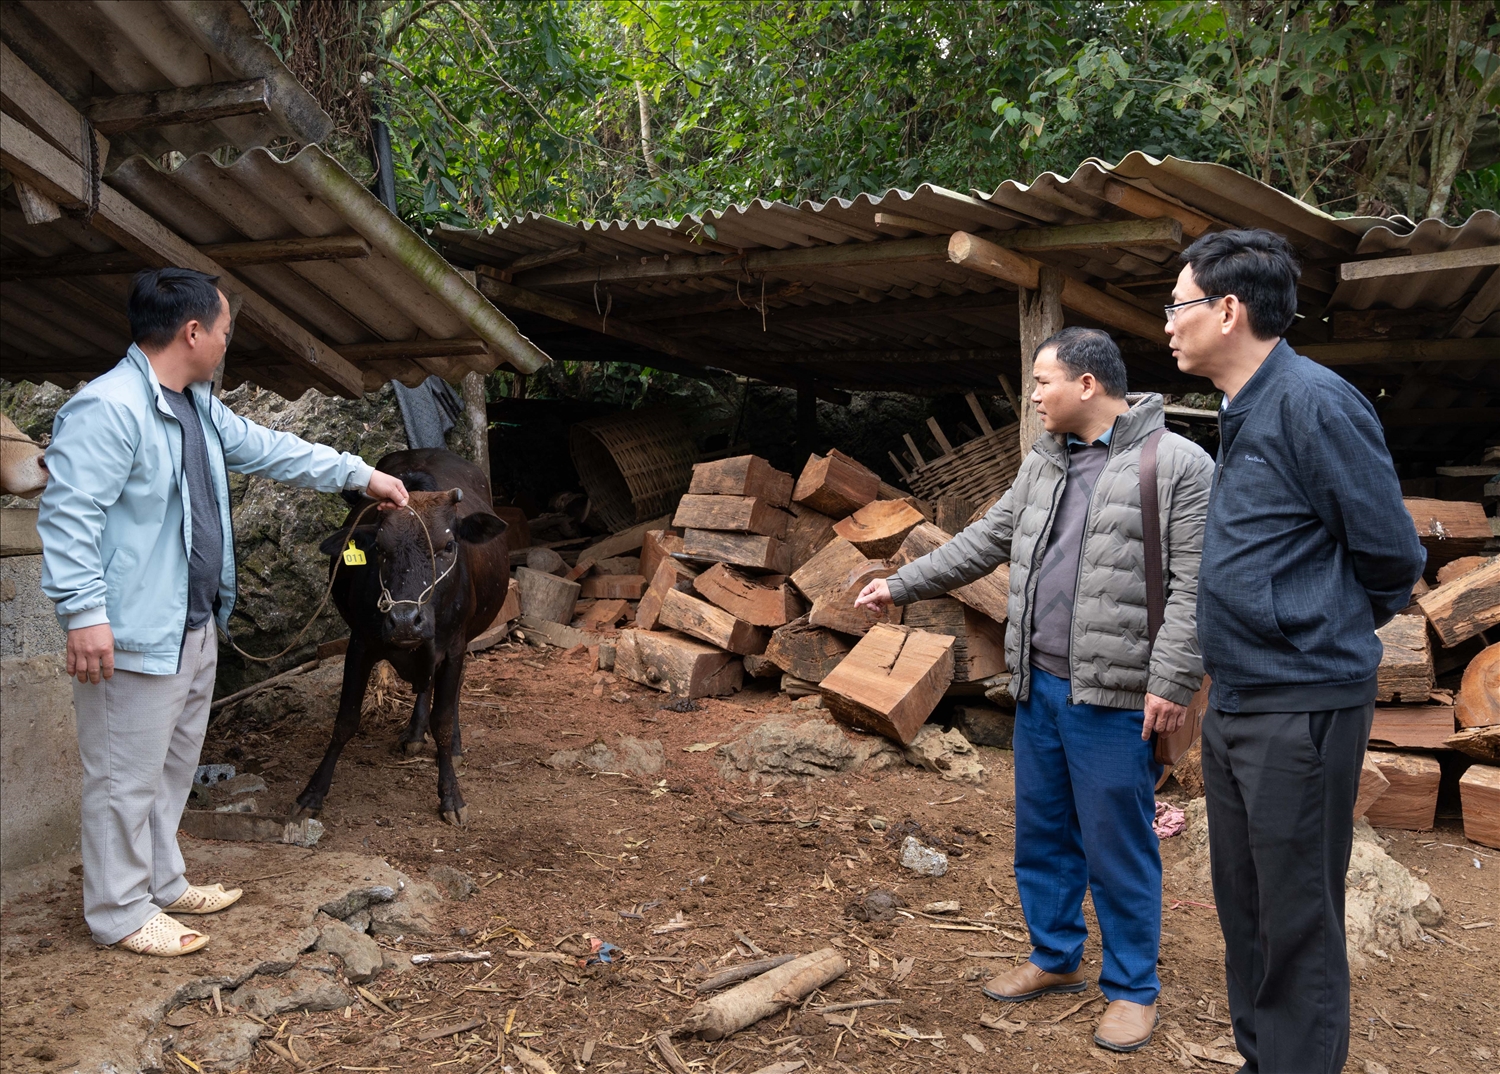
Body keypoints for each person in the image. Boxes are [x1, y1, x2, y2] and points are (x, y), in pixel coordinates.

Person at [855, 327, 1213, 1053]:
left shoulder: (1176, 463)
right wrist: (899, 584)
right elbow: (984, 541)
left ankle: (1133, 990)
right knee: (1042, 835)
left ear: (1087, 384)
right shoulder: (1046, 462)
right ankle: (1054, 959)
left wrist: (1173, 680)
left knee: (1117, 847)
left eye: (1043, 382)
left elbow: (1196, 588)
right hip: (1039, 686)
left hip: (1116, 698)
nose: (1035, 397)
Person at [38, 267, 410, 957]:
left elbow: (273, 450)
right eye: (226, 330)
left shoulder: (195, 404)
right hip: (132, 631)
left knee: (170, 765)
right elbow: (67, 515)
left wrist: (359, 473)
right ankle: (119, 912)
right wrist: (85, 612)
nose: (227, 342)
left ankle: (160, 879)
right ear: (192, 331)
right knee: (123, 777)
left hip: (194, 622)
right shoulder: (109, 408)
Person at [1167, 229, 1425, 1073]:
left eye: (1179, 304)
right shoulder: (1244, 409)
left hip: (1302, 704)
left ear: (1228, 310)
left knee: (1297, 917)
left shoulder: (1315, 402)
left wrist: (1310, 624)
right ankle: (1263, 1059)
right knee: (1246, 907)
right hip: (1239, 699)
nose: (1168, 323)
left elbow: (1391, 555)